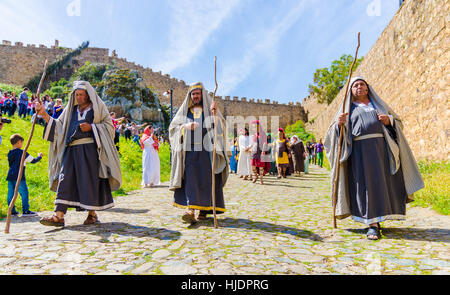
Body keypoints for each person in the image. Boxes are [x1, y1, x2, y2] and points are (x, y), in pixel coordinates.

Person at [324, 77, 424, 240]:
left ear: (367, 88)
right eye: (355, 85)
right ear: (351, 91)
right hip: (359, 154)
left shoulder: (379, 106)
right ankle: (372, 224)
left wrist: (389, 120)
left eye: (361, 84)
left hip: (382, 151)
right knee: (366, 186)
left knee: (383, 184)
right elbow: (330, 137)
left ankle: (380, 217)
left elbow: (398, 122)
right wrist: (338, 125)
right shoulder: (347, 109)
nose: (358, 87)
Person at [36, 81, 122, 227]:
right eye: (76, 94)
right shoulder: (70, 110)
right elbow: (59, 127)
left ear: (88, 95)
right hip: (71, 151)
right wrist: (44, 114)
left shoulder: (98, 108)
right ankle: (59, 215)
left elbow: (109, 127)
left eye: (81, 94)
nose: (79, 97)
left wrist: (92, 127)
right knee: (65, 179)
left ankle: (92, 214)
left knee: (90, 181)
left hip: (91, 151)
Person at [169, 82, 228, 223]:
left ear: (202, 95)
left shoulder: (210, 110)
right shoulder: (185, 111)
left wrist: (216, 116)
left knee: (206, 181)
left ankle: (204, 210)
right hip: (189, 152)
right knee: (190, 179)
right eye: (193, 94)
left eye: (198, 93)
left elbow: (221, 127)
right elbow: (173, 128)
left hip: (207, 152)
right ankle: (190, 210)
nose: (195, 96)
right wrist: (185, 126)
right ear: (190, 96)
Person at [6, 134, 43, 216]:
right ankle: (26, 210)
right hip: (19, 176)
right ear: (19, 142)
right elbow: (33, 161)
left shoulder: (10, 153)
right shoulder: (22, 153)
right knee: (24, 193)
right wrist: (39, 157)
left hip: (10, 176)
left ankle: (11, 211)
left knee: (11, 194)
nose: (22, 144)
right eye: (22, 142)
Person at [249, 120, 268, 184]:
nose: (254, 128)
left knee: (261, 167)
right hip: (254, 152)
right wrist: (248, 148)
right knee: (253, 167)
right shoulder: (254, 135)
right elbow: (252, 143)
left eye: (255, 127)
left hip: (260, 152)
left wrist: (263, 151)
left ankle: (261, 179)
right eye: (253, 127)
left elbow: (265, 142)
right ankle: (256, 176)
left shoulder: (263, 134)